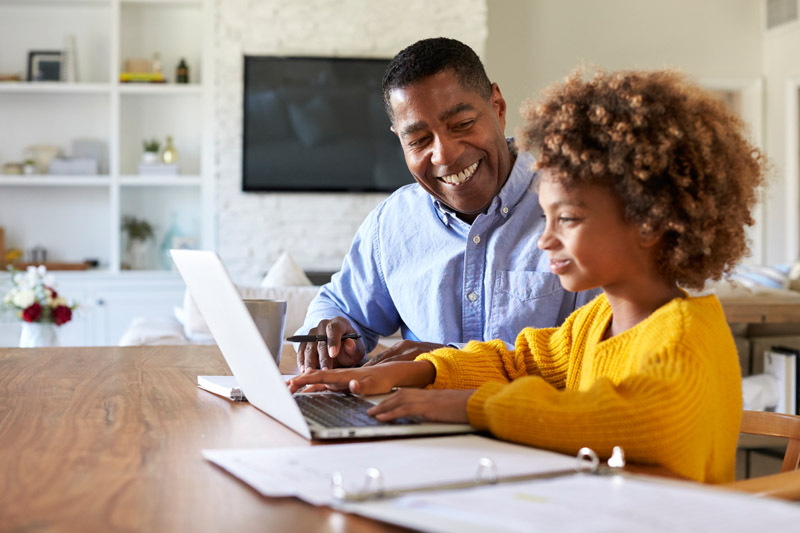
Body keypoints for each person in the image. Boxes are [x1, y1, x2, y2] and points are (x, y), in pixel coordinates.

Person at [289, 69, 766, 484]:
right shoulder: (596, 320)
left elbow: (626, 418)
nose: (544, 239)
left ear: (649, 221)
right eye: (545, 217)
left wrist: (467, 406)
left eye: (569, 220)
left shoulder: (687, 334)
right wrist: (421, 370)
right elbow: (517, 363)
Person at [296, 37, 598, 371]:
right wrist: (333, 334)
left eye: (463, 125)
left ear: (498, 107)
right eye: (419, 140)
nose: (445, 155)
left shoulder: (574, 210)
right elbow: (339, 305)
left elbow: (594, 353)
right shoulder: (392, 222)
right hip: (412, 420)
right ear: (399, 139)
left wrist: (445, 364)